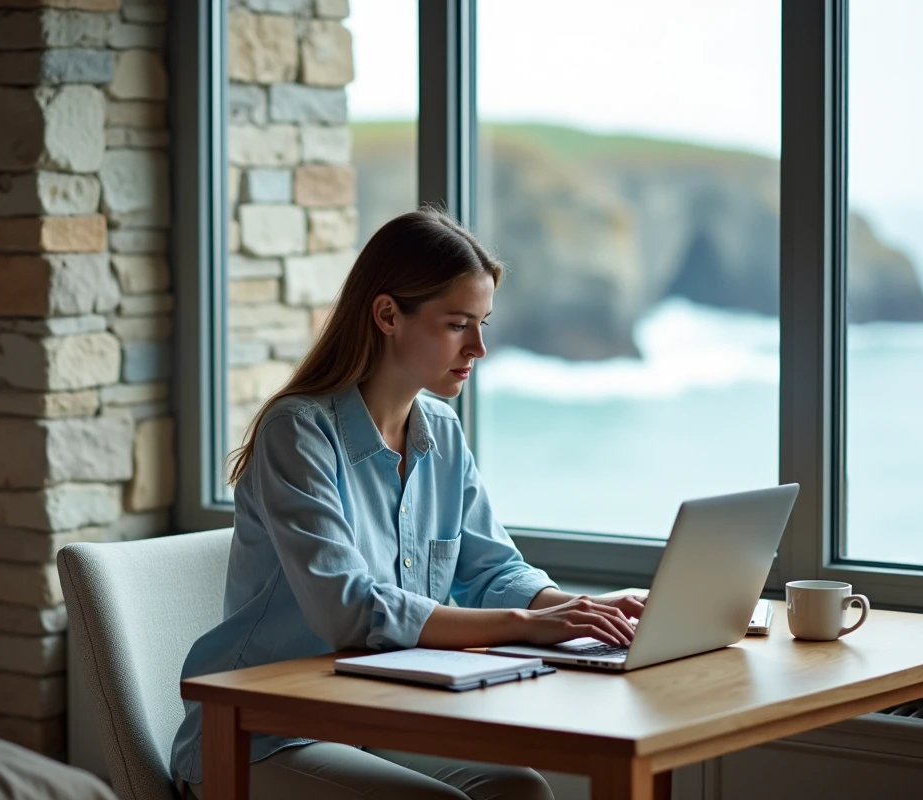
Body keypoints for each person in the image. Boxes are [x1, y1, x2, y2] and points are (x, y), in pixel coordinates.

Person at [171, 208, 645, 800]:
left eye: (483, 324)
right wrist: (530, 625)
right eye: (457, 324)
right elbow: (347, 610)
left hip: (368, 719)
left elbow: (491, 569)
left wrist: (580, 609)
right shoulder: (298, 432)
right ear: (388, 314)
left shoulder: (441, 432)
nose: (479, 347)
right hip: (259, 737)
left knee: (518, 790)